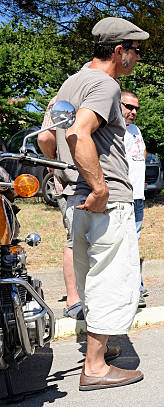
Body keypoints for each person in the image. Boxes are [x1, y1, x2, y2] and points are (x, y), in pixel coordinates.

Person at [54, 16, 148, 391]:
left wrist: (73, 182)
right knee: (112, 281)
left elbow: (50, 138)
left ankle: (100, 350)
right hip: (105, 202)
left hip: (77, 200)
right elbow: (79, 132)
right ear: (119, 52)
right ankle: (94, 367)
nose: (138, 58)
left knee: (92, 281)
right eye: (136, 51)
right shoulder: (105, 84)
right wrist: (101, 188)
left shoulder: (70, 83)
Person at [38, 97, 84, 320]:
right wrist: (58, 161)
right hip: (75, 182)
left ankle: (78, 299)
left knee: (77, 241)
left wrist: (54, 160)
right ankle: (73, 299)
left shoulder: (62, 96)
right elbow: (45, 138)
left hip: (75, 181)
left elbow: (45, 138)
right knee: (76, 242)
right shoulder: (68, 97)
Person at [121, 90, 148, 308]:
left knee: (133, 244)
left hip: (138, 197)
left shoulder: (135, 130)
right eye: (128, 106)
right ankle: (131, 290)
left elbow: (143, 153)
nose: (133, 111)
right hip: (123, 196)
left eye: (136, 108)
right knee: (124, 245)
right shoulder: (112, 130)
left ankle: (135, 286)